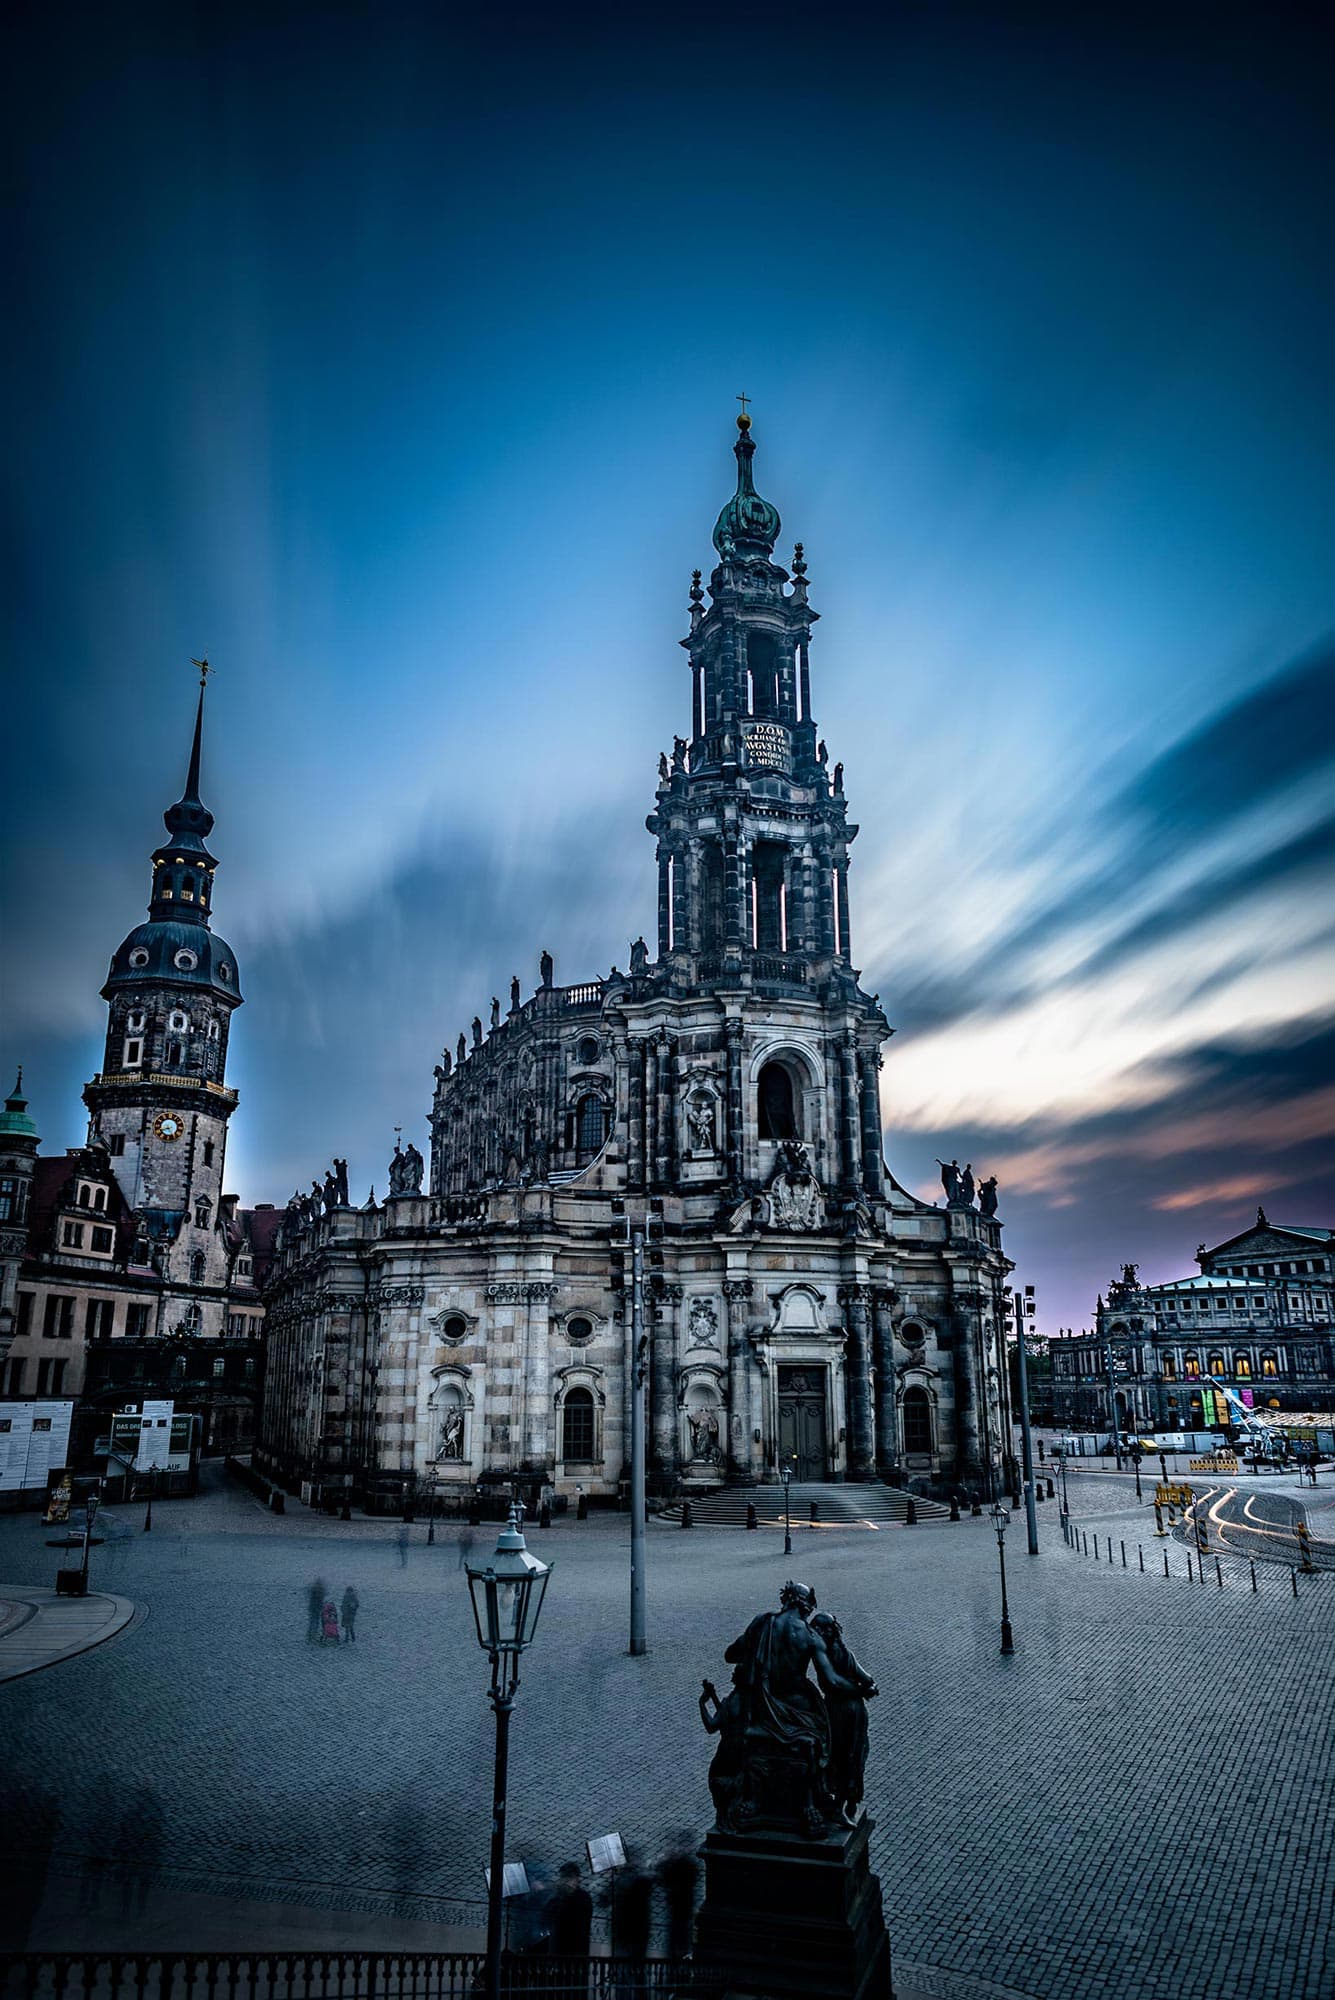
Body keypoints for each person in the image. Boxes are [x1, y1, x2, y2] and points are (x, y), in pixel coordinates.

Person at [808, 1611, 879, 1823]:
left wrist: (861, 1690)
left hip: (839, 1709)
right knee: (854, 1753)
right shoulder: (842, 1650)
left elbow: (833, 1683)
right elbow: (864, 1676)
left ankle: (839, 1804)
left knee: (839, 1753)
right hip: (856, 1710)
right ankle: (850, 1801)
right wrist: (867, 1687)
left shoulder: (826, 1652)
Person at [658, 1834, 700, 1960]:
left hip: (681, 1908)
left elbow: (667, 1881)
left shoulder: (687, 1865)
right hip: (679, 1909)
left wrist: (666, 1863)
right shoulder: (686, 1863)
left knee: (680, 1937)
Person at [546, 1860, 593, 1957]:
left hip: (574, 1948)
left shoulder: (582, 1898)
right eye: (565, 1878)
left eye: (569, 1878)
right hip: (563, 1948)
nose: (566, 1882)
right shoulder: (559, 1896)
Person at [306, 1576, 327, 1643]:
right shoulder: (321, 1590)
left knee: (311, 1621)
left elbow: (309, 1596)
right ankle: (314, 1634)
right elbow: (323, 1597)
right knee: (316, 1621)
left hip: (312, 1607)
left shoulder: (313, 1589)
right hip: (318, 1607)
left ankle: (309, 1634)